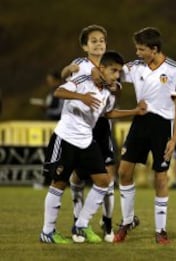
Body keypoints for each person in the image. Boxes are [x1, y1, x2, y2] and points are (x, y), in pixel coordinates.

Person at [39, 51, 147, 244]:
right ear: (101, 68)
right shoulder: (82, 80)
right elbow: (59, 92)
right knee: (59, 183)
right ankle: (47, 232)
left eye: (119, 72)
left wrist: (134, 111)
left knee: (104, 181)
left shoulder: (107, 92)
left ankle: (81, 224)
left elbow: (108, 113)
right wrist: (81, 97)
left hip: (86, 142)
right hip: (65, 138)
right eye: (113, 71)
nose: (116, 76)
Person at [113, 27, 176, 245]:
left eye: (141, 49)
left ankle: (160, 230)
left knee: (160, 177)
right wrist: (111, 82)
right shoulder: (135, 67)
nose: (137, 52)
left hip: (163, 126)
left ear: (154, 49)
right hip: (140, 122)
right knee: (124, 171)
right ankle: (127, 221)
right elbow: (111, 72)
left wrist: (175, 138)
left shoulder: (173, 69)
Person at [61, 24, 127, 243]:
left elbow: (116, 89)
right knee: (77, 177)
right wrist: (67, 70)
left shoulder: (110, 64)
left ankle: (107, 223)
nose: (99, 44)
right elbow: (65, 77)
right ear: (84, 46)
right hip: (80, 126)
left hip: (101, 126)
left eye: (102, 40)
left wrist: (115, 86)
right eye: (94, 41)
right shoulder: (80, 64)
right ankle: (78, 223)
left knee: (108, 178)